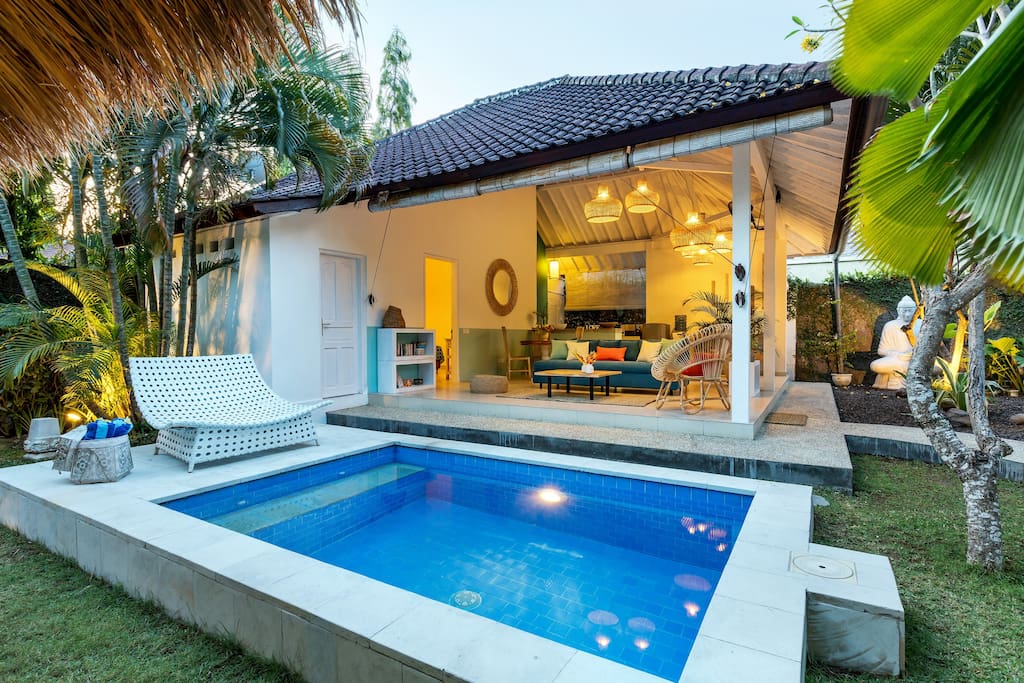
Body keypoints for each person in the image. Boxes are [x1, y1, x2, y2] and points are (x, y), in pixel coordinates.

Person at [870, 296, 918, 389]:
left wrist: (913, 355)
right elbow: (881, 351)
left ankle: (905, 370)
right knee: (875, 365)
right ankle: (907, 370)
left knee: (939, 366)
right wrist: (897, 355)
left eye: (910, 311)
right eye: (904, 311)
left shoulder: (922, 324)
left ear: (916, 311)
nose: (907, 314)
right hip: (896, 360)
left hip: (915, 360)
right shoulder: (890, 325)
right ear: (898, 311)